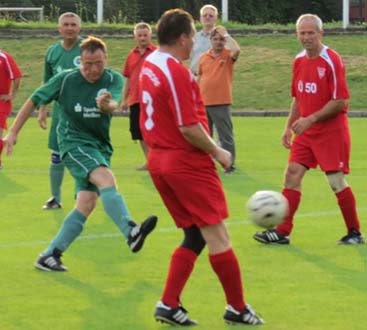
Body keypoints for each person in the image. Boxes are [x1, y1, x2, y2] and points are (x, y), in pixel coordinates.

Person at [139, 9, 264, 326]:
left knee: (194, 235)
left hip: (159, 161)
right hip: (184, 162)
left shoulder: (150, 62)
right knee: (218, 236)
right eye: (193, 35)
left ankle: (168, 303)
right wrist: (219, 151)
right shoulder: (176, 72)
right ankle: (237, 307)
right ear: (182, 38)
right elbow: (188, 127)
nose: (195, 40)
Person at [4, 36, 157, 272]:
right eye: (87, 64)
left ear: (105, 59)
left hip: (99, 146)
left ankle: (49, 255)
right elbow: (34, 100)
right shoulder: (66, 79)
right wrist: (13, 132)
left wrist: (105, 104)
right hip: (72, 144)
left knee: (86, 202)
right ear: (80, 61)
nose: (93, 69)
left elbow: (113, 105)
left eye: (98, 63)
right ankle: (131, 231)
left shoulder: (113, 79)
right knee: (107, 179)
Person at [253, 14, 364, 245]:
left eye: (310, 33)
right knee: (292, 175)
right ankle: (282, 231)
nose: (306, 37)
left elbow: (340, 101)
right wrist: (288, 128)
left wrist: (310, 119)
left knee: (336, 182)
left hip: (331, 131)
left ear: (321, 33)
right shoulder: (299, 60)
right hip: (306, 131)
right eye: (302, 33)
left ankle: (354, 232)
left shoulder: (332, 60)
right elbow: (298, 98)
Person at [38, 12, 83, 210]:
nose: (70, 28)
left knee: (84, 155)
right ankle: (55, 198)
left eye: (73, 24)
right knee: (57, 156)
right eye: (66, 24)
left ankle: (82, 198)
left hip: (84, 113)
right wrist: (42, 109)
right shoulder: (52, 52)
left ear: (79, 28)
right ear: (59, 28)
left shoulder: (88, 48)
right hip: (60, 113)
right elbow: (46, 85)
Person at [198, 25, 240, 174]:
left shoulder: (228, 55)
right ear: (210, 40)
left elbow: (237, 50)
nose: (218, 42)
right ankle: (205, 164)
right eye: (215, 39)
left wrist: (226, 35)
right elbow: (200, 77)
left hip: (221, 101)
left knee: (225, 136)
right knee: (204, 136)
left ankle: (229, 164)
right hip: (204, 102)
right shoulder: (203, 57)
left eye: (221, 39)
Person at [121, 22, 157, 171]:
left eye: (145, 35)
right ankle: (149, 161)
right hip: (135, 98)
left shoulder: (157, 53)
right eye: (140, 35)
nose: (142, 38)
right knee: (138, 131)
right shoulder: (131, 55)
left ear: (150, 35)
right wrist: (124, 99)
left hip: (153, 99)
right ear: (135, 36)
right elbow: (128, 78)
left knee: (154, 130)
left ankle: (157, 160)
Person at [0, 49, 22, 170]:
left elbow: (17, 75)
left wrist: (12, 95)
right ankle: (7, 140)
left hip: (1, 102)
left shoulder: (4, 57)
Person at [190, 4, 218, 76]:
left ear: (216, 19)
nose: (207, 17)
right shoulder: (194, 37)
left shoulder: (220, 38)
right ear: (200, 18)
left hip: (211, 77)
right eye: (204, 15)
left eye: (211, 16)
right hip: (194, 77)